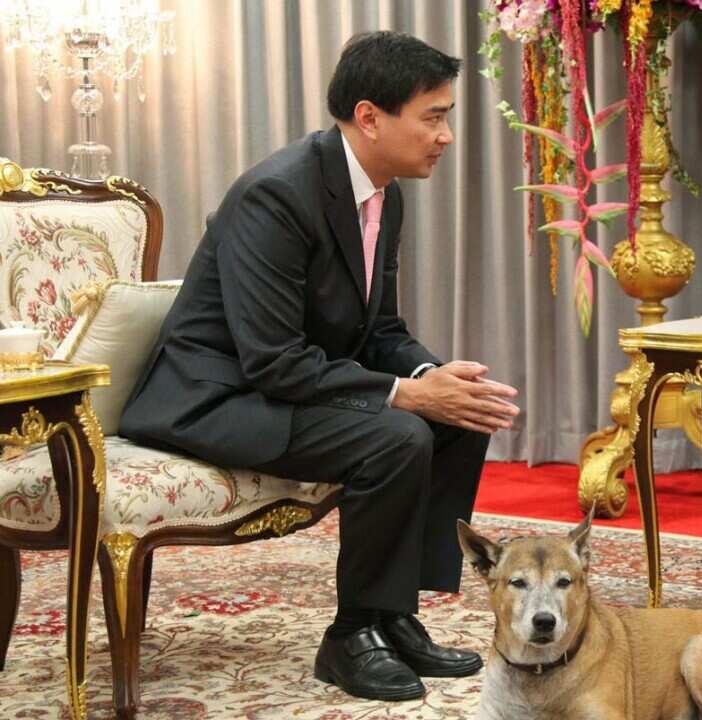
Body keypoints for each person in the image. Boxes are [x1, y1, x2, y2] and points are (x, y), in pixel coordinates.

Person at [120, 31, 520, 702]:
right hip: (216, 397)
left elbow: (381, 330)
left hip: (280, 387)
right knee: (396, 435)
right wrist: (405, 398)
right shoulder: (274, 197)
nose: (445, 135)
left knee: (460, 412)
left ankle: (394, 618)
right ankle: (350, 637)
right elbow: (273, 360)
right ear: (370, 117)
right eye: (434, 116)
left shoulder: (382, 193)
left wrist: (431, 378)